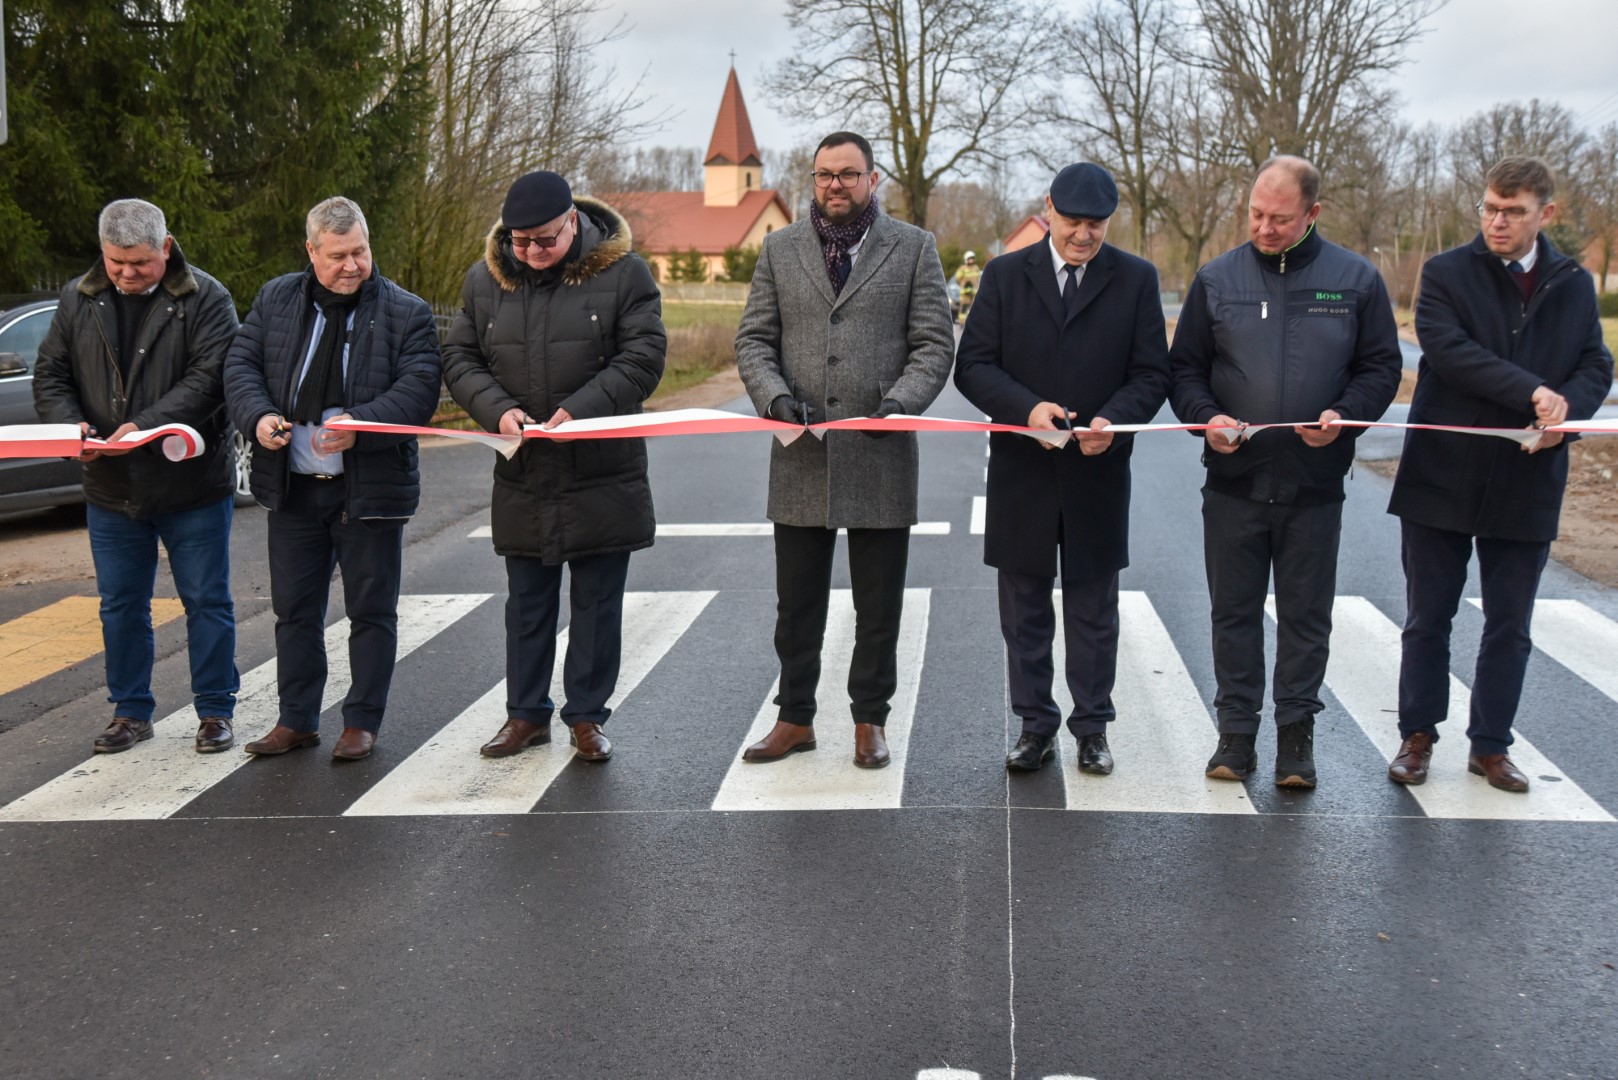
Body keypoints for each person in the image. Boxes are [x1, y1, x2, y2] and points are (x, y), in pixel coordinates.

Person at [1170, 156, 1401, 789]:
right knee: (1233, 612)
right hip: (1234, 483)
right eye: (1256, 214)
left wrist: (1347, 416)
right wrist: (1206, 418)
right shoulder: (1217, 279)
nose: (1264, 228)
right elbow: (1184, 369)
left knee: (1305, 616)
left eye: (1280, 218)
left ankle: (1296, 741)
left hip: (1314, 485)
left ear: (1312, 214)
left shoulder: (1355, 280)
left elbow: (1381, 366)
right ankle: (1235, 736)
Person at [1386, 156, 1614, 792]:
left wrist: (1566, 411)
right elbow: (1450, 352)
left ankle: (1490, 745)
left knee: (1511, 624)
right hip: (1442, 475)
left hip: (1528, 476)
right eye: (1490, 207)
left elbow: (1597, 363)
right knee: (1428, 617)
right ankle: (1418, 736)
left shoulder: (1573, 282)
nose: (1497, 220)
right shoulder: (1446, 272)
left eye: (1513, 211)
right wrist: (1535, 391)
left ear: (1547, 214)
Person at [734, 130, 954, 769]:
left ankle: (869, 721)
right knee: (796, 605)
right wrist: (774, 398)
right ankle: (794, 718)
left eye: (849, 174)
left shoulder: (914, 249)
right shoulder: (779, 249)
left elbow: (934, 345)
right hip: (799, 452)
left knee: (878, 604)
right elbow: (753, 340)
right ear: (813, 179)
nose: (837, 185)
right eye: (826, 174)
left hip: (880, 454)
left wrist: (901, 405)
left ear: (873, 179)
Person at [954, 163, 1170, 774]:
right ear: (1048, 210)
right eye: (1073, 222)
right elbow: (972, 366)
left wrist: (1113, 420)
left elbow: (1153, 373)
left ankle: (1093, 727)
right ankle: (1034, 725)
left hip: (1098, 471)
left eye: (1096, 225)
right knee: (1024, 608)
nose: (1083, 236)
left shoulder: (1135, 280)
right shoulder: (1001, 276)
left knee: (1094, 610)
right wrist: (1027, 408)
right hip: (1024, 470)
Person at [443, 171, 665, 763]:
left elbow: (644, 358)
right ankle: (525, 715)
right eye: (519, 242)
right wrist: (497, 410)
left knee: (596, 603)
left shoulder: (625, 274)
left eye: (543, 240)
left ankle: (587, 717)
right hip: (524, 469)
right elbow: (459, 358)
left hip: (599, 465)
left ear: (574, 221)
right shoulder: (485, 281)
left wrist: (580, 409)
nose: (531, 253)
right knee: (527, 603)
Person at [224, 197, 442, 762]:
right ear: (311, 252)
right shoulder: (276, 299)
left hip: (368, 489)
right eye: (339, 255)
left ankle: (361, 722)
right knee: (294, 611)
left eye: (361, 252)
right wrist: (258, 417)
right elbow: (241, 366)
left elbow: (419, 391)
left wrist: (362, 427)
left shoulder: (407, 312)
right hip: (295, 489)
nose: (352, 265)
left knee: (371, 612)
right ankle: (295, 719)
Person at [33, 198, 241, 754]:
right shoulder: (79, 297)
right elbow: (51, 372)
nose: (126, 273)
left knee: (207, 600)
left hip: (190, 484)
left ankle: (215, 710)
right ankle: (130, 711)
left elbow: (211, 377)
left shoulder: (206, 297)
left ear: (165, 248)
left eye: (139, 263)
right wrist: (67, 426)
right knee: (120, 604)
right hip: (110, 487)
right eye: (116, 262)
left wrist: (141, 427)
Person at [953, 251, 981, 325]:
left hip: (974, 291)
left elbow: (978, 278)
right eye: (969, 259)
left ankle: (975, 321)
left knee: (975, 306)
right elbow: (957, 278)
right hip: (965, 291)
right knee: (964, 307)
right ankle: (962, 322)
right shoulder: (962, 268)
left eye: (972, 259)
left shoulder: (976, 268)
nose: (971, 260)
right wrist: (963, 284)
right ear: (966, 259)